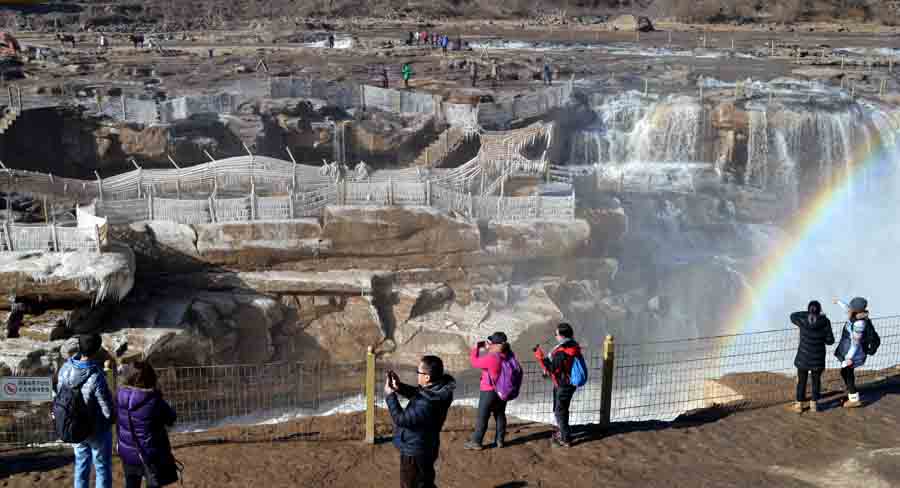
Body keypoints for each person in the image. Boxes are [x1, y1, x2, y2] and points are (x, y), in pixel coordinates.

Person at [385, 355, 456, 488]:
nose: (417, 375)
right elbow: (421, 394)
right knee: (425, 481)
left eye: (418, 372)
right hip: (428, 444)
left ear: (427, 377)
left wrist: (390, 396)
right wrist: (399, 387)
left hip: (415, 450)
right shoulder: (441, 389)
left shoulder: (426, 405)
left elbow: (401, 419)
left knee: (410, 484)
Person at [57, 333, 115, 488]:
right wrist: (113, 419)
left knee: (81, 465)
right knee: (102, 468)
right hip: (96, 429)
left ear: (79, 347)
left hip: (74, 424)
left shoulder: (65, 368)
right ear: (96, 350)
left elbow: (59, 395)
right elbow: (106, 408)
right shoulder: (96, 375)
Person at [117, 361, 179, 488]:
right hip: (150, 455)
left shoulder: (119, 395)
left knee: (131, 484)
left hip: (127, 452)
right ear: (151, 378)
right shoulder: (154, 400)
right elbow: (171, 418)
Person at [534, 323, 581, 448]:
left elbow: (552, 368)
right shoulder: (572, 344)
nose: (555, 336)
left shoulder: (563, 351)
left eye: (556, 334)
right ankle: (563, 431)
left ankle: (565, 438)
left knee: (560, 411)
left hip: (564, 384)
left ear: (562, 335)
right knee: (560, 408)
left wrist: (540, 356)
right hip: (566, 382)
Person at [464, 332, 513, 450]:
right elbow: (497, 358)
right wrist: (490, 348)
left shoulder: (492, 358)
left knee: (482, 416)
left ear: (495, 344)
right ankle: (500, 440)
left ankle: (476, 442)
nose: (489, 344)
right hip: (502, 390)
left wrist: (477, 348)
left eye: (491, 342)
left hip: (489, 391)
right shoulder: (509, 354)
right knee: (500, 414)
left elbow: (474, 361)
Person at [789, 301, 834, 413]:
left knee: (802, 381)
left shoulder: (802, 320)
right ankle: (814, 404)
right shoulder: (825, 321)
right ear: (820, 310)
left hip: (803, 358)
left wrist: (807, 313)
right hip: (817, 359)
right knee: (816, 381)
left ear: (808, 310)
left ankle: (799, 405)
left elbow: (792, 316)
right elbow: (830, 341)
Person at [834, 297, 870, 408]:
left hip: (853, 352)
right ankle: (851, 392)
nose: (849, 309)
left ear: (856, 309)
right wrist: (839, 301)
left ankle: (854, 399)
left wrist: (848, 358)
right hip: (848, 348)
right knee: (845, 373)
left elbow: (856, 342)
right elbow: (847, 308)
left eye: (852, 307)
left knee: (847, 373)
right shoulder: (855, 314)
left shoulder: (859, 323)